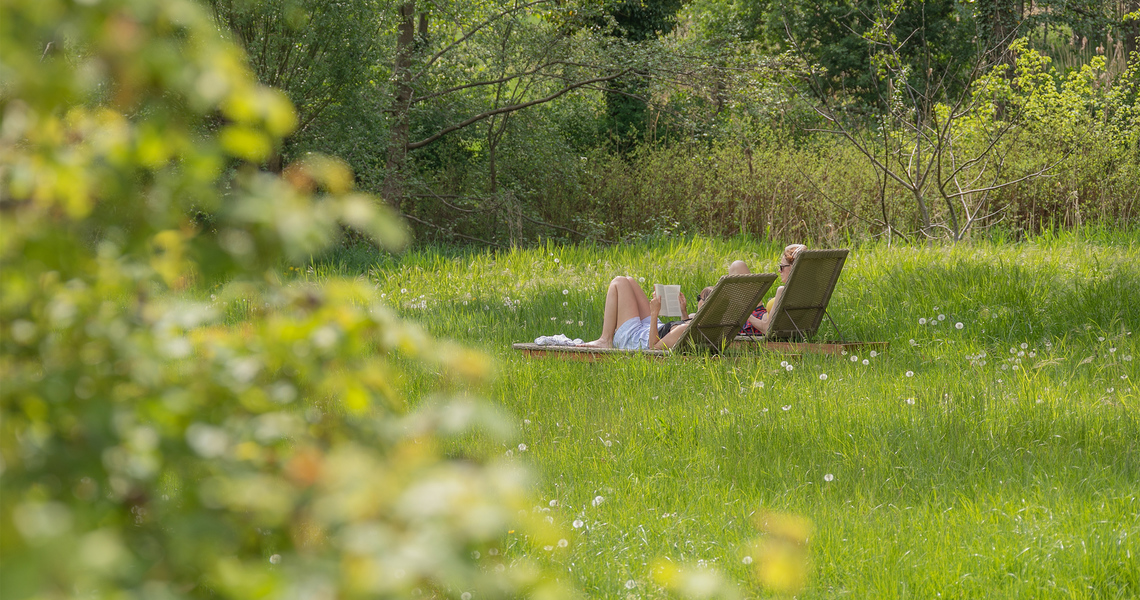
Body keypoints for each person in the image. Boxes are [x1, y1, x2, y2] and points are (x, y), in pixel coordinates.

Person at [580, 277, 691, 350]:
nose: (699, 299)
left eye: (700, 297)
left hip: (637, 338)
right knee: (629, 281)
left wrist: (654, 312)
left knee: (618, 282)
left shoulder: (685, 329)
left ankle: (606, 340)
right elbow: (685, 330)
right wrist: (683, 312)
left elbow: (653, 347)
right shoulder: (698, 322)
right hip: (653, 328)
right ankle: (606, 338)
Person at [730, 243, 807, 336]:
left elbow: (766, 329)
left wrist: (744, 314)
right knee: (738, 265)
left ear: (792, 268)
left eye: (781, 267)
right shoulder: (808, 289)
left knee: (710, 292)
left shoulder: (782, 291)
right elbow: (788, 249)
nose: (779, 270)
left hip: (754, 326)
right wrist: (802, 248)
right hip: (760, 314)